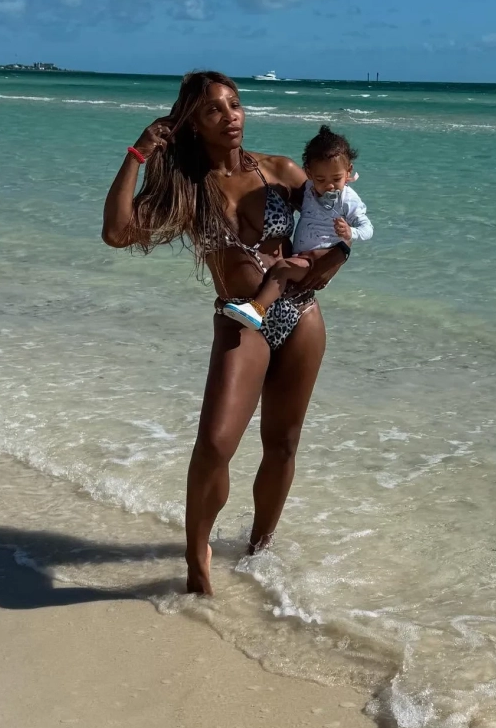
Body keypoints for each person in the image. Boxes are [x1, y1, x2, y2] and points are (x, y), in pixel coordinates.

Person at [101, 71, 348, 595]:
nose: (230, 116)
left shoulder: (280, 171)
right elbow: (117, 233)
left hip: (300, 314)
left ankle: (260, 550)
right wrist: (138, 154)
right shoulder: (188, 188)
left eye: (234, 104)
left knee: (283, 443)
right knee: (214, 445)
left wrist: (328, 264)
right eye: (214, 109)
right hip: (241, 319)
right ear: (193, 122)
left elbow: (337, 220)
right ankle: (197, 560)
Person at [222, 125, 372, 331]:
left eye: (336, 179)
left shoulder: (349, 199)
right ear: (308, 173)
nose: (329, 186)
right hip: (301, 257)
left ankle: (256, 310)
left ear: (348, 171)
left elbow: (367, 228)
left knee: (282, 269)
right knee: (284, 268)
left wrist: (349, 234)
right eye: (321, 179)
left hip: (320, 259)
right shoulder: (309, 189)